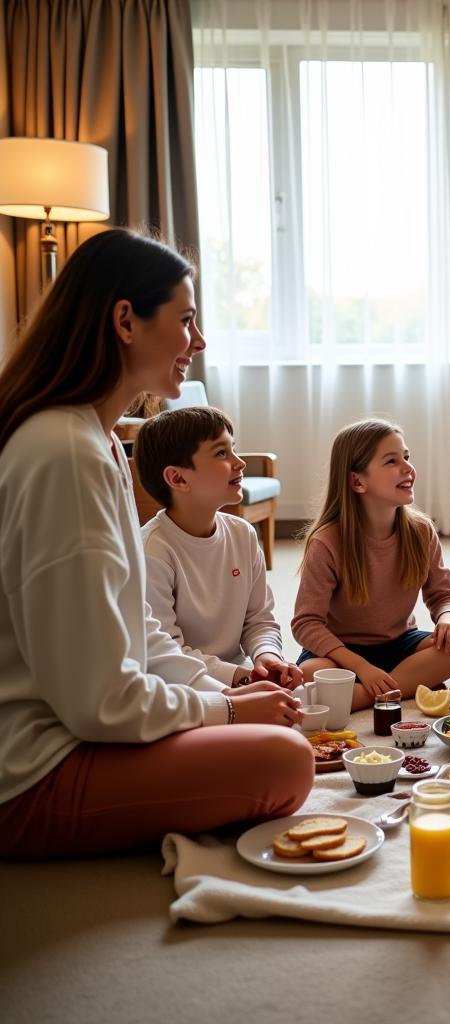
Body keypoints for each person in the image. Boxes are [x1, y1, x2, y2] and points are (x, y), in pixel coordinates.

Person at [0, 229, 312, 860]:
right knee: (285, 761)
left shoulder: (99, 440)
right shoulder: (65, 452)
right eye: (187, 320)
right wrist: (224, 714)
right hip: (32, 768)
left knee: (266, 727)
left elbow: (134, 629)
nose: (198, 342)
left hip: (77, 724)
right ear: (125, 321)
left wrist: (222, 693)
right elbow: (102, 704)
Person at [292, 418, 450, 709]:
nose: (407, 468)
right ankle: (404, 685)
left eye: (406, 457)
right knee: (310, 673)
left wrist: (449, 620)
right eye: (391, 461)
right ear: (357, 481)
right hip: (342, 652)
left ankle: (372, 694)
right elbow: (306, 623)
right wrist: (362, 667)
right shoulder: (327, 542)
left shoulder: (421, 531)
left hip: (400, 643)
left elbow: (443, 596)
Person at [134, 406, 303, 691]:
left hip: (235, 676)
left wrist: (267, 657)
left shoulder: (242, 534)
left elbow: (259, 619)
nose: (240, 463)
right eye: (221, 453)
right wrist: (241, 679)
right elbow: (166, 656)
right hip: (180, 688)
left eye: (233, 449)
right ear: (178, 479)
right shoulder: (153, 550)